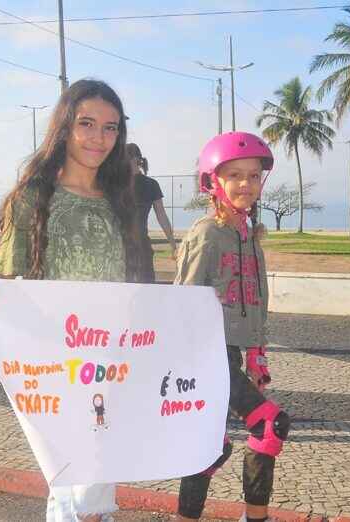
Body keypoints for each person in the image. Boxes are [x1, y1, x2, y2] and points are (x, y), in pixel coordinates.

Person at [0, 79, 140, 522]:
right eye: (86, 124)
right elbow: (5, 279)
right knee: (74, 484)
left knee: (97, 482)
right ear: (64, 128)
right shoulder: (34, 198)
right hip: (57, 363)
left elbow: (133, 282)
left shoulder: (122, 200)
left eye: (110, 128)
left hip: (111, 358)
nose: (99, 138)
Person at [174, 132, 290, 522]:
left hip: (234, 355)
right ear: (213, 182)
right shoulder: (207, 234)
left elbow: (257, 303)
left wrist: (258, 359)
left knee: (212, 445)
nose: (246, 184)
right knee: (271, 425)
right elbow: (184, 301)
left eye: (254, 176)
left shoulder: (250, 237)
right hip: (209, 354)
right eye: (235, 175)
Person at [126, 143, 176, 283]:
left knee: (144, 288)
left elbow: (161, 216)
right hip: (124, 246)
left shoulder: (150, 184)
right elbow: (162, 216)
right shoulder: (116, 183)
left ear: (136, 159)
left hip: (139, 245)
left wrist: (173, 244)